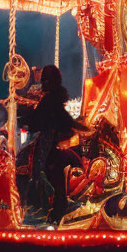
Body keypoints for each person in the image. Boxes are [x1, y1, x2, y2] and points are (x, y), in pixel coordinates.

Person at [20, 65, 83, 223]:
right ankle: (57, 210)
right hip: (54, 144)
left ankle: (41, 210)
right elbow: (67, 122)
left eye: (44, 80)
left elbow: (36, 123)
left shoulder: (48, 100)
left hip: (47, 146)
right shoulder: (55, 99)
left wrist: (25, 117)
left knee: (35, 171)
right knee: (56, 178)